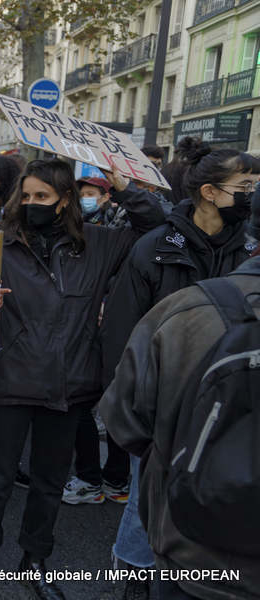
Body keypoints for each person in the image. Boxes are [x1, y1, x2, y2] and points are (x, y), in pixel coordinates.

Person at [0, 159, 165, 600]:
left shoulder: (100, 244)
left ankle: (35, 560)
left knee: (50, 483)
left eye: (43, 197)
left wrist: (126, 188)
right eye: (26, 196)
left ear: (65, 199)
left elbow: (157, 227)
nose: (32, 204)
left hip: (68, 385)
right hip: (8, 380)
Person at [99, 145, 259, 600]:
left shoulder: (250, 248)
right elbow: (123, 333)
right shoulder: (153, 248)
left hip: (232, 396)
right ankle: (134, 577)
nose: (252, 197)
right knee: (145, 498)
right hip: (164, 398)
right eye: (244, 188)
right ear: (209, 192)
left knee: (216, 489)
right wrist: (125, 407)